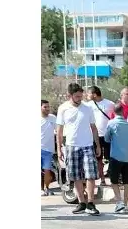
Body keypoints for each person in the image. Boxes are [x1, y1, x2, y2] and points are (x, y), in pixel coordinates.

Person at [56, 83, 101, 215]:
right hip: (71, 146)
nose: (79, 99)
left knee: (91, 174)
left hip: (87, 145)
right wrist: (59, 149)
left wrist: (97, 145)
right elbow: (59, 131)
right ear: (69, 95)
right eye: (77, 96)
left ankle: (91, 203)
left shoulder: (87, 108)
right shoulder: (63, 108)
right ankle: (81, 202)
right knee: (75, 176)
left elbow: (93, 128)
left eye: (81, 96)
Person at [104, 103, 128, 213]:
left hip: (115, 156)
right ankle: (125, 206)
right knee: (127, 183)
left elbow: (106, 139)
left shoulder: (111, 123)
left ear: (114, 112)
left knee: (114, 181)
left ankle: (119, 202)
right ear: (123, 112)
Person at [84, 86, 115, 186]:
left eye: (88, 93)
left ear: (94, 94)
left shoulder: (110, 104)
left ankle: (114, 178)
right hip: (95, 136)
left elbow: (116, 116)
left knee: (111, 158)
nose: (87, 95)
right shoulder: (88, 105)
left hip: (108, 135)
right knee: (98, 159)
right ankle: (102, 179)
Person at [41, 100, 56, 196]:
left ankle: (47, 188)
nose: (47, 109)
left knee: (47, 170)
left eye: (48, 107)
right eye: (45, 107)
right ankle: (41, 189)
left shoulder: (53, 118)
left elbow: (58, 130)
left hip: (48, 149)